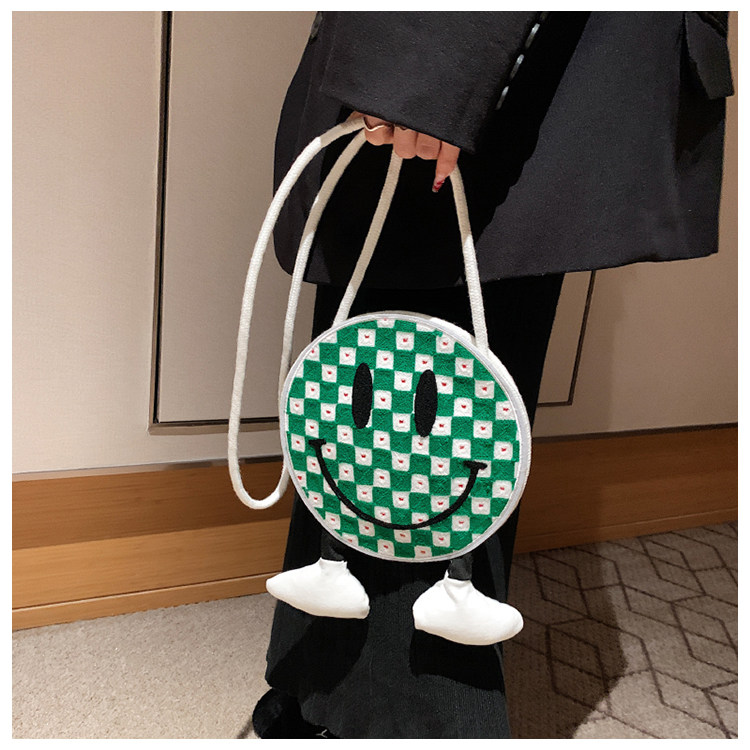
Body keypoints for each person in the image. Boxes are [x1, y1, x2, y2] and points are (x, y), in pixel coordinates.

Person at [251, 12, 732, 739]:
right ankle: (321, 677)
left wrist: (428, 67)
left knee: (422, 401)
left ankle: (395, 720)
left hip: (467, 44)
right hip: (489, 49)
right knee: (374, 387)